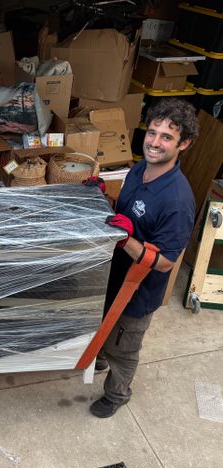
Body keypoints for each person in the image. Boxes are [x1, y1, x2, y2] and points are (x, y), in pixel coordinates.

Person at [90, 98, 199, 418]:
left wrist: (126, 240)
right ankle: (97, 357)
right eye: (153, 132)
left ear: (184, 144)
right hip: (111, 273)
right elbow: (125, 216)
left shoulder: (177, 201)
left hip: (138, 292)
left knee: (124, 348)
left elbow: (166, 261)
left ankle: (117, 394)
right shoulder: (140, 169)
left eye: (167, 137)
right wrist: (102, 199)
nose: (155, 142)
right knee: (102, 325)